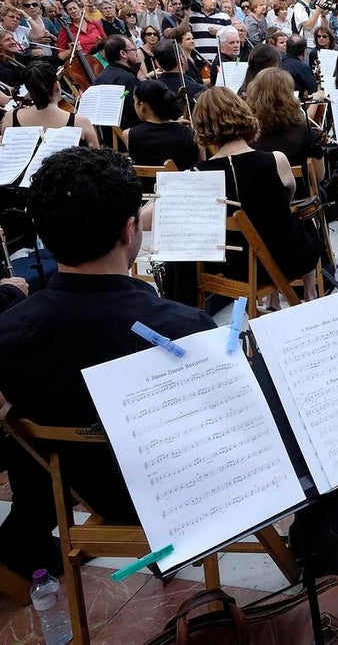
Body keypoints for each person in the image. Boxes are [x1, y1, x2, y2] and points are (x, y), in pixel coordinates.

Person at [0, 147, 217, 579]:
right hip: (178, 492)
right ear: (130, 229)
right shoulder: (183, 328)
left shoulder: (9, 330)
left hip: (83, 491)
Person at [190, 87, 320, 301]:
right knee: (303, 221)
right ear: (243, 114)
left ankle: (276, 299)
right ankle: (309, 292)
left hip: (233, 266)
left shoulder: (198, 174)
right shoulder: (276, 159)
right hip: (286, 259)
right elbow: (288, 197)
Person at [247, 67, 325, 199]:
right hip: (302, 201)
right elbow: (318, 176)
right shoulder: (304, 131)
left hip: (262, 204)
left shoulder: (247, 134)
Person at [1, 61, 99, 147]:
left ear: (29, 91)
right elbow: (99, 160)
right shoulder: (80, 122)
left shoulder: (10, 117)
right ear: (56, 85)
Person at [121, 79, 200, 170]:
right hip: (183, 183)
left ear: (142, 106)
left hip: (146, 184)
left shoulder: (128, 134)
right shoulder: (190, 134)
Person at [91, 34, 142, 129]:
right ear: (123, 53)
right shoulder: (128, 79)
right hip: (128, 135)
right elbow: (140, 113)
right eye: (133, 50)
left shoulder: (101, 76)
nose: (136, 53)